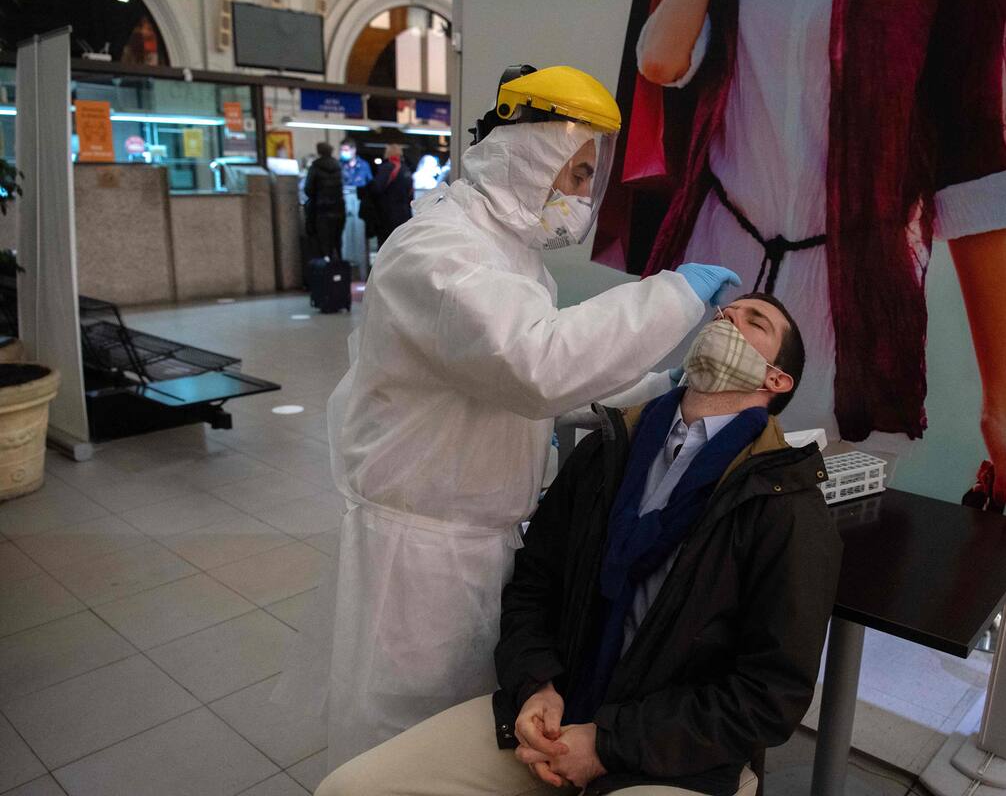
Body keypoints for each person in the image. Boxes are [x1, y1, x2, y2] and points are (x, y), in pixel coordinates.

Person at [272, 64, 741, 770]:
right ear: (527, 154)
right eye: (575, 173)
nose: (580, 197)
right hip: (420, 555)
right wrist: (675, 295)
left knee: (460, 732)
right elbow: (536, 363)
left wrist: (656, 388)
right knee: (404, 742)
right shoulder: (439, 251)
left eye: (589, 178)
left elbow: (535, 383)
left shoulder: (513, 259)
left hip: (476, 542)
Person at [316, 294, 841, 796]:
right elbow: (533, 583)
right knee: (348, 788)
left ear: (776, 379)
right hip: (555, 712)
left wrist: (608, 743)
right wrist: (535, 686)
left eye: (754, 321)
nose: (726, 316)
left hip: (668, 755)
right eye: (726, 309)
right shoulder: (606, 453)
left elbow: (770, 694)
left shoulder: (783, 504)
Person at [595, 0, 1006, 507]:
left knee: (811, 532)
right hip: (718, 265)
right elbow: (660, 60)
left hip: (853, 319)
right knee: (656, 509)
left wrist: (1000, 403)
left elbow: (976, 167)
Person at [304, 142, 346, 261]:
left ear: (319, 152)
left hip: (322, 210)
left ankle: (327, 266)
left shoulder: (315, 167)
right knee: (337, 240)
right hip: (339, 209)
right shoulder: (338, 166)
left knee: (324, 243)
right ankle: (339, 266)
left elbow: (308, 189)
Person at [369, 143, 414, 244]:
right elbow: (410, 194)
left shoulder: (387, 168)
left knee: (386, 244)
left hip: (387, 214)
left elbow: (376, 189)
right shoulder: (406, 169)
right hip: (404, 214)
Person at [340, 141, 373, 272]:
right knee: (345, 240)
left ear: (353, 150)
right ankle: (346, 270)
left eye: (346, 149)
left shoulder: (363, 166)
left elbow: (370, 184)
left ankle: (362, 269)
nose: (344, 152)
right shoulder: (339, 166)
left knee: (360, 239)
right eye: (342, 150)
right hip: (344, 205)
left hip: (360, 205)